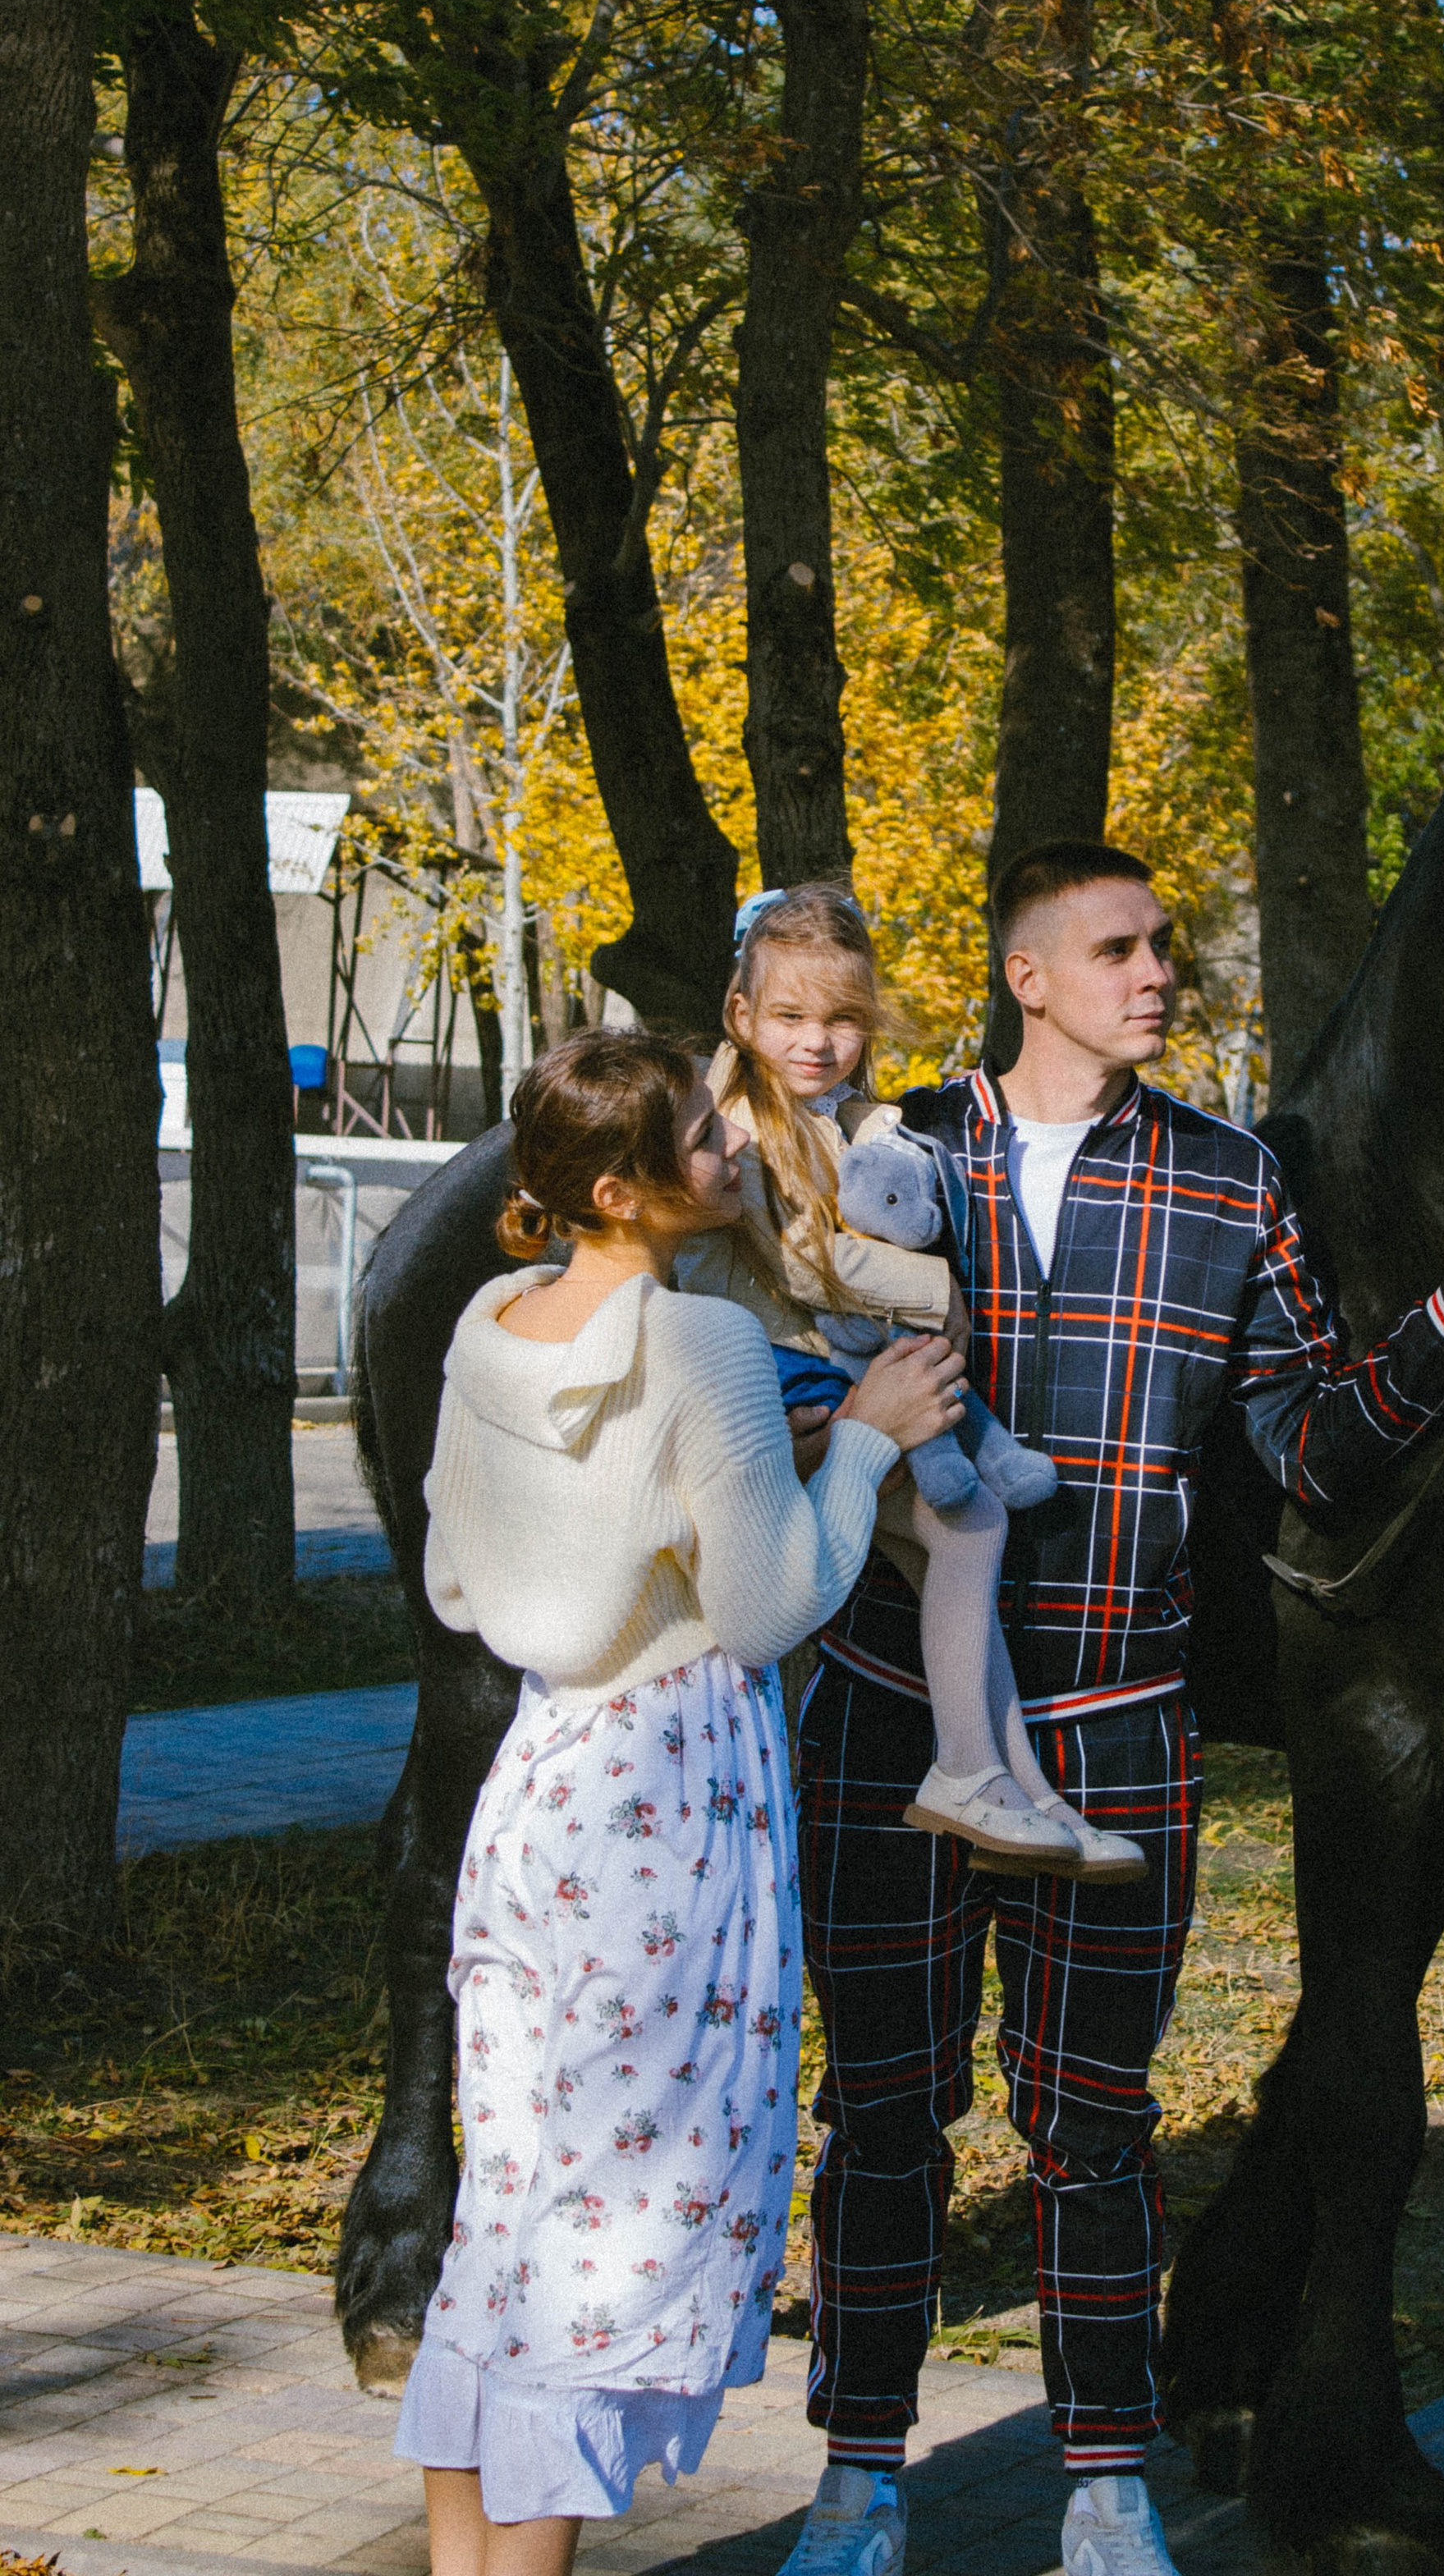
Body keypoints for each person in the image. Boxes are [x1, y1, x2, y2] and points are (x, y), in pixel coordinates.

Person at [777, 844, 1444, 2576]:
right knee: (884, 2115)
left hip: (1118, 1726)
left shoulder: (1221, 1179)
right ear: (1025, 976)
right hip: (887, 1720)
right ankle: (857, 2481)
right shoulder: (883, 1155)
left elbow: (1305, 1449)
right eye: (1115, 948)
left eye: (1163, 945)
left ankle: (1104, 2487)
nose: (1155, 971)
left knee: (1091, 2127)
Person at [393, 1029, 965, 2576]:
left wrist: (674, 1508)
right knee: (608, 2244)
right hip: (671, 1798)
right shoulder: (702, 1342)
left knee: (507, 2230)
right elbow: (773, 1602)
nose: (731, 1138)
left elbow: (458, 1568)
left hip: (535, 1788)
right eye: (699, 1130)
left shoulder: (486, 1323)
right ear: (618, 1188)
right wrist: (857, 1443)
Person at [680, 884, 1138, 1882]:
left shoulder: (836, 1115)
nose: (818, 1040)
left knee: (956, 1551)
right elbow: (806, 1266)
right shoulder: (739, 1126)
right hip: (775, 1380)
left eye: (842, 1019)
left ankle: (1021, 1792)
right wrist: (941, 1291)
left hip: (820, 1364)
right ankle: (971, 1773)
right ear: (742, 1016)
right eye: (792, 1018)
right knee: (964, 1526)